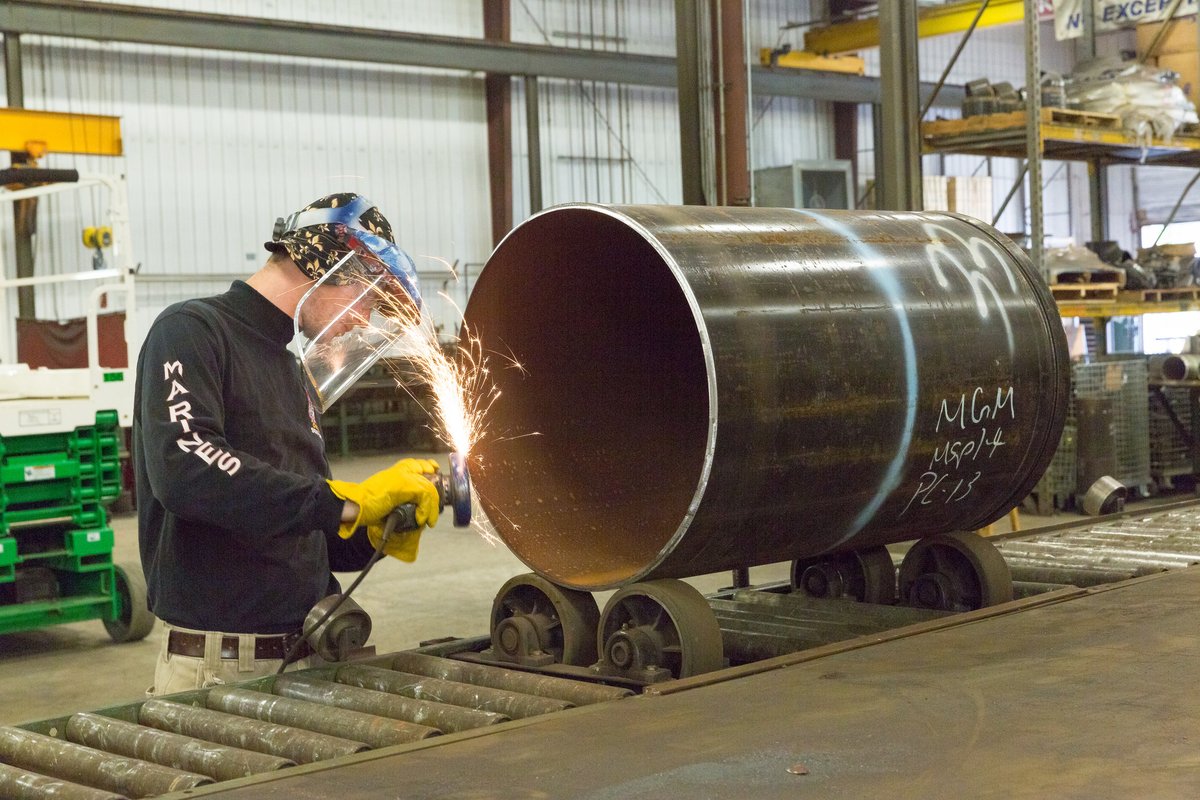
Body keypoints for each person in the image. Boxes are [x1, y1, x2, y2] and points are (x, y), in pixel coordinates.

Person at [133, 192, 440, 695]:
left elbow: (304, 529)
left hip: (306, 652)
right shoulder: (192, 332)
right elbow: (188, 470)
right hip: (220, 666)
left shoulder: (293, 370)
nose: (365, 321)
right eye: (370, 299)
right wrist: (341, 503)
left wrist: (374, 525)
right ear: (329, 264)